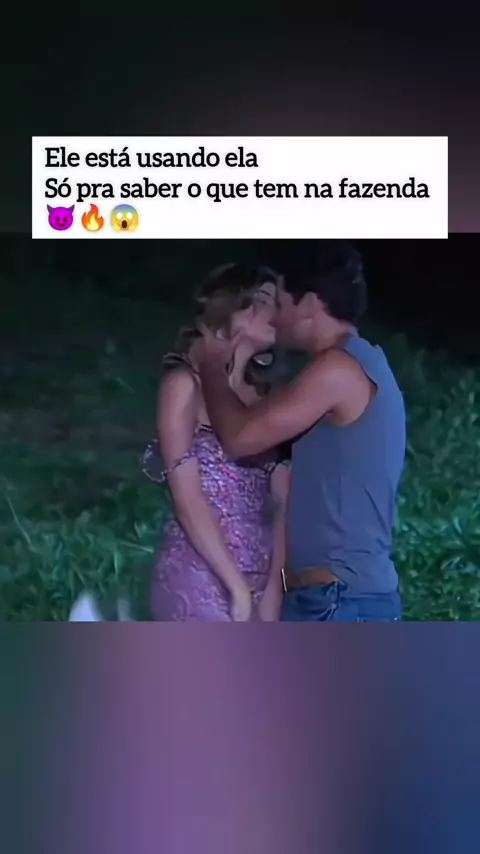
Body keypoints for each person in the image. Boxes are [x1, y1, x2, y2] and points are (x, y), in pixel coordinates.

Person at [195, 241, 406, 622]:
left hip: (340, 600)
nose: (274, 317)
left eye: (280, 301)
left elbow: (240, 438)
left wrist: (211, 362)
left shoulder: (337, 370)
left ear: (308, 304)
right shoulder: (363, 362)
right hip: (337, 597)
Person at [142, 263, 290, 621]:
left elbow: (282, 503)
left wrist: (274, 588)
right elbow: (187, 498)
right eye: (264, 299)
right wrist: (235, 588)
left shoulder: (268, 400)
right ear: (230, 305)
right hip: (199, 573)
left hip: (261, 579)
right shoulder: (183, 385)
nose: (277, 312)